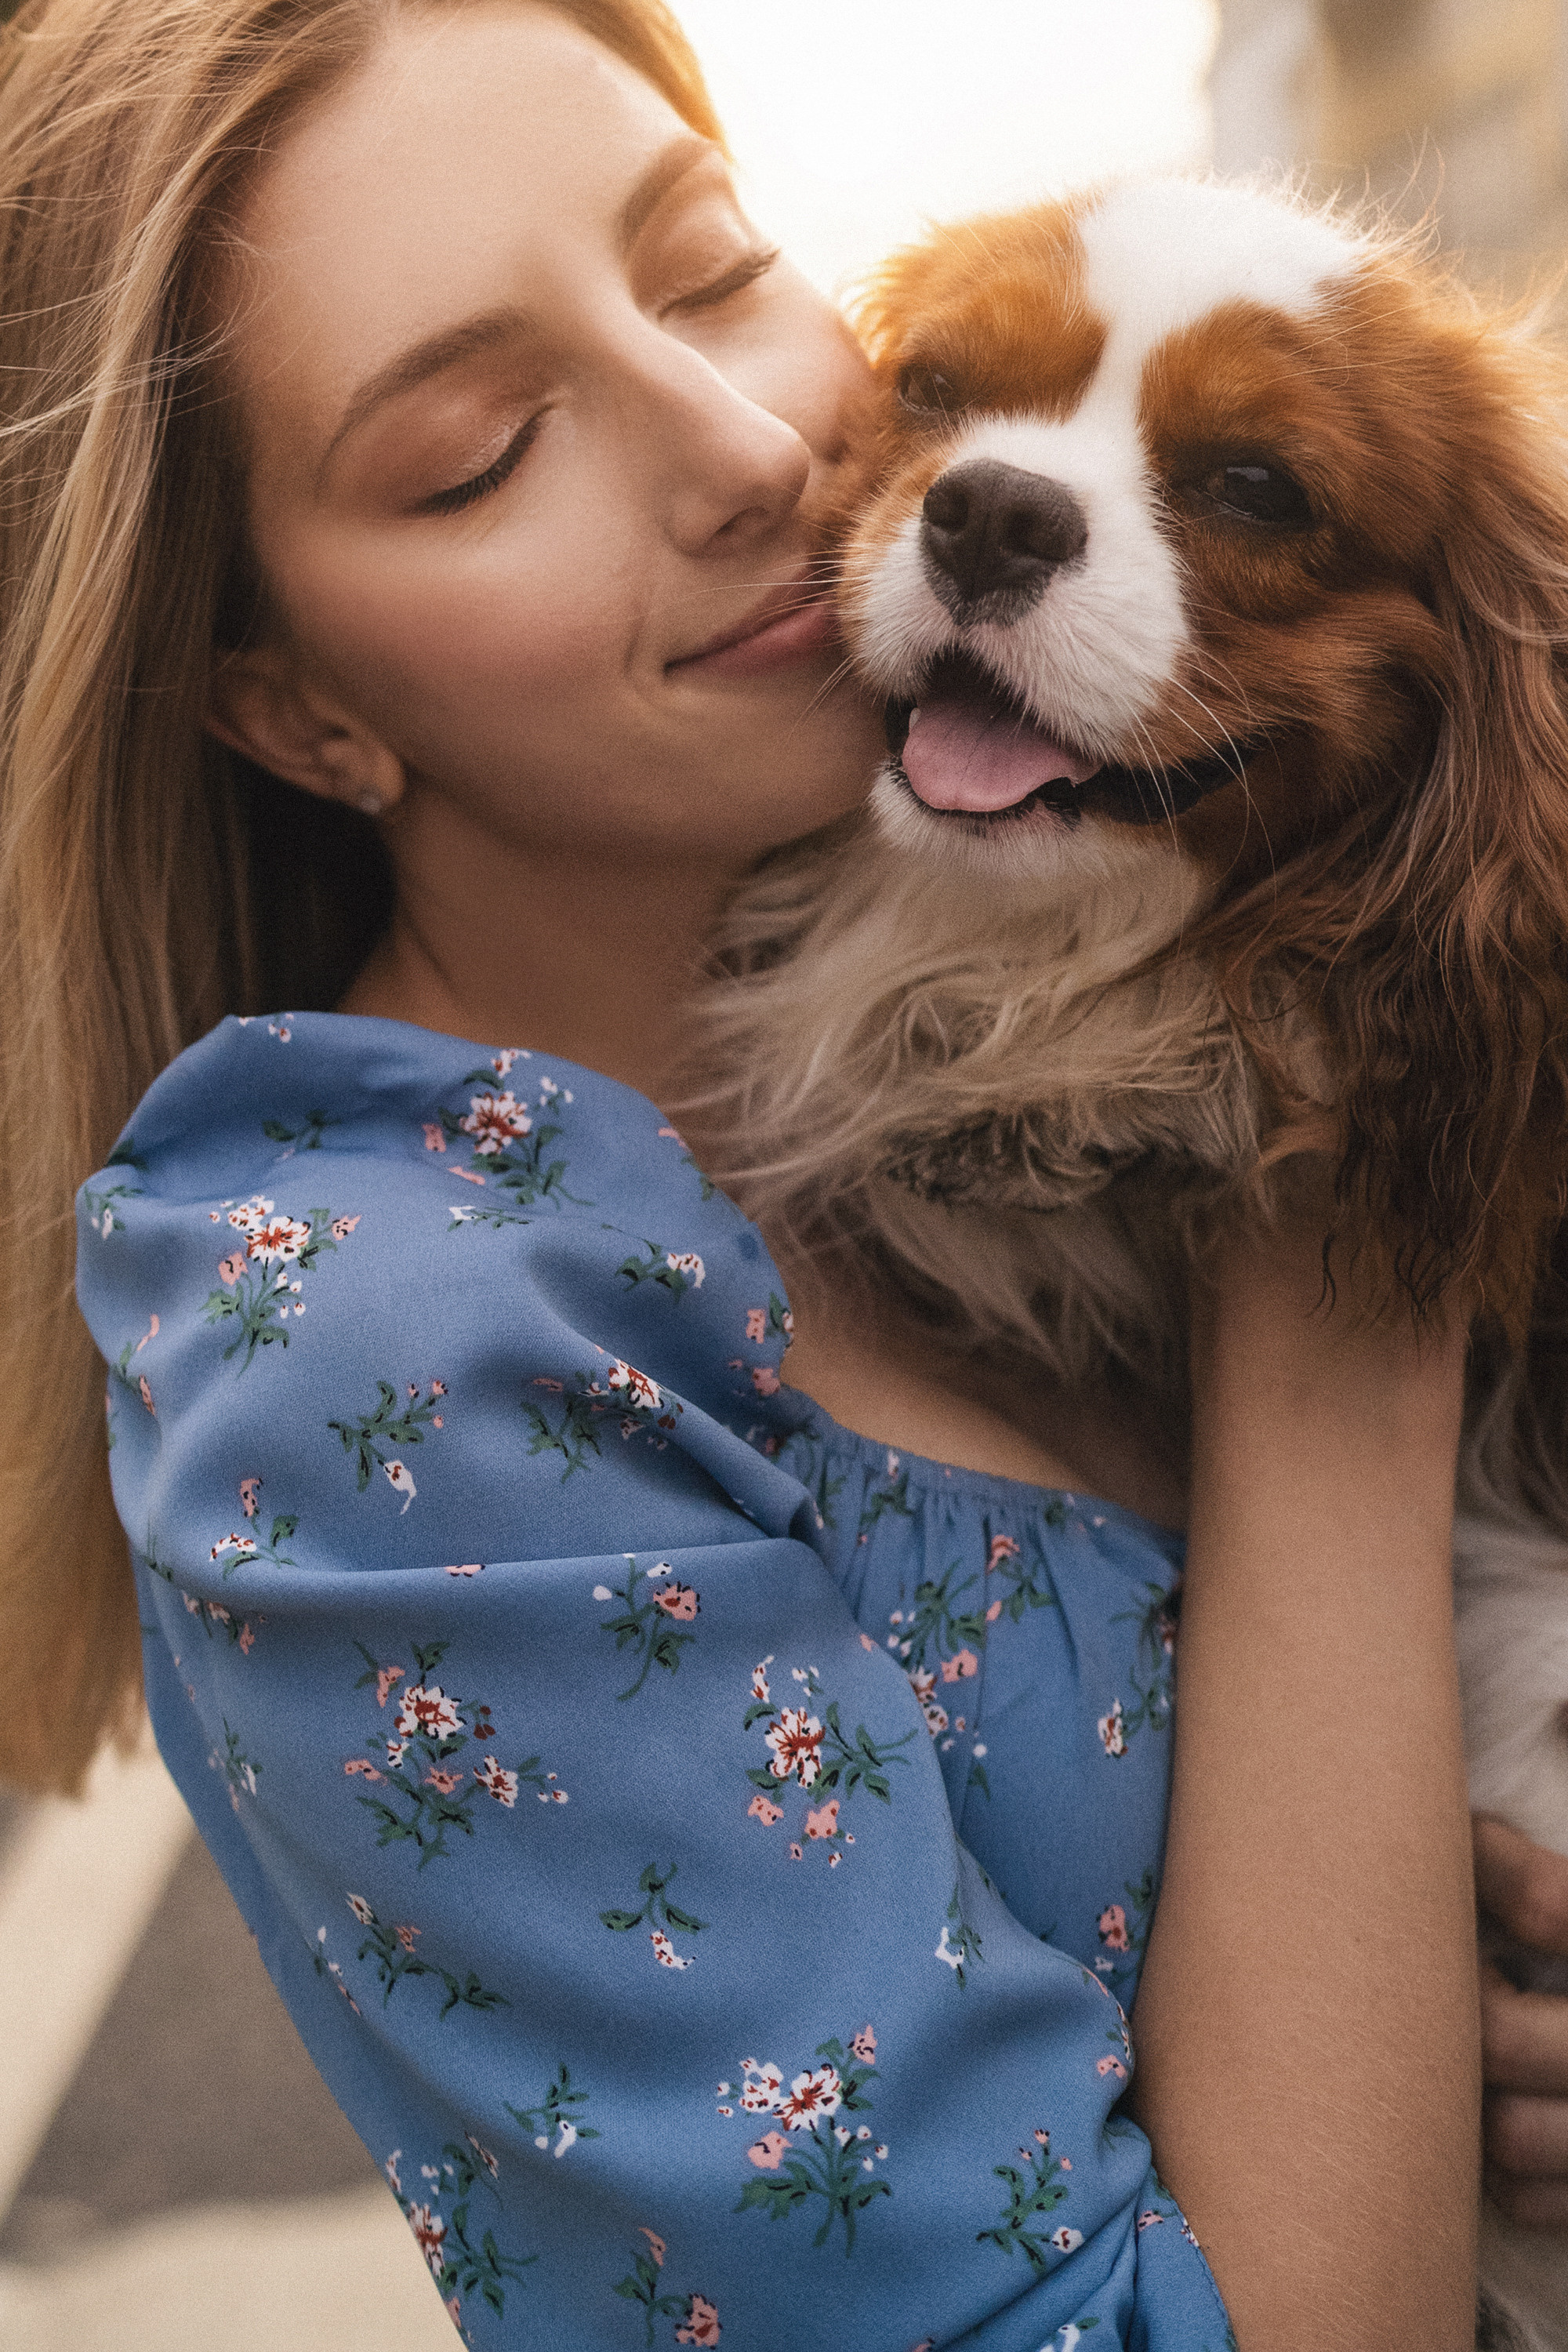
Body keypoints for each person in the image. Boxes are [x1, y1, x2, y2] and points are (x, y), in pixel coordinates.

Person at [0, 0, 1560, 2339]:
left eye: (716, 269)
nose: (745, 445)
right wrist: (1350, 1316)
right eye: (485, 449)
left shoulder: (1049, 1020)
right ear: (292, 703)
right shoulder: (388, 1363)